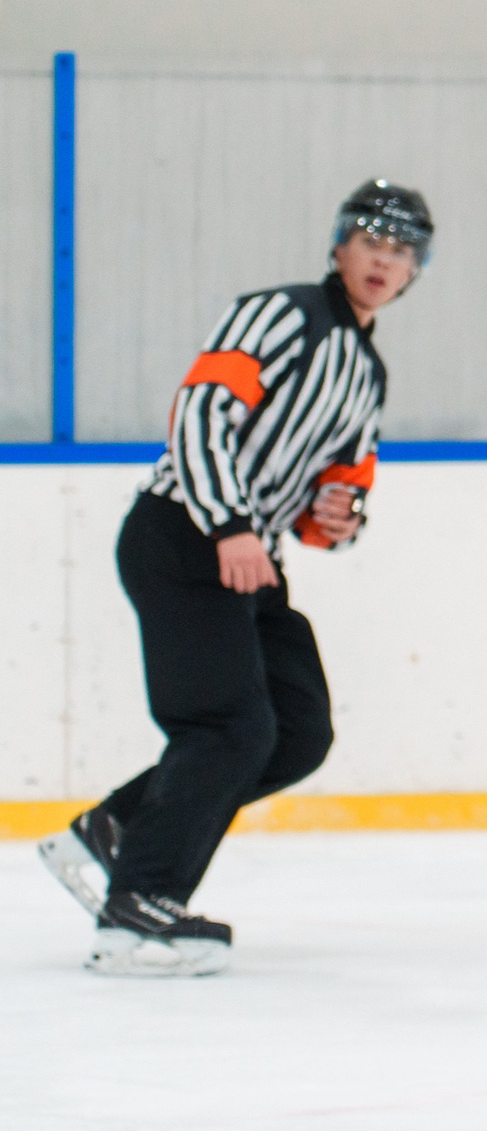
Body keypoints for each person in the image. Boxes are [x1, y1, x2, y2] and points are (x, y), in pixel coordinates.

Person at [38, 180, 434, 977]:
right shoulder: (282, 313)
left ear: (414, 270)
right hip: (186, 533)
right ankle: (138, 914)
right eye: (371, 240)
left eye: (401, 249)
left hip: (250, 556)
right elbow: (202, 410)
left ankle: (117, 830)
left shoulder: (367, 371)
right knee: (227, 725)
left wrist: (337, 517)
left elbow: (336, 497)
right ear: (339, 248)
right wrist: (230, 522)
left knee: (295, 728)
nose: (384, 258)